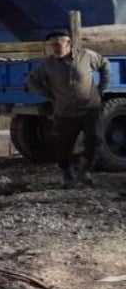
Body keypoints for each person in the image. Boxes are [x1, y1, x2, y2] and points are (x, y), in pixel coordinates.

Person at [26, 29, 110, 188]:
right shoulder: (46, 65)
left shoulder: (86, 56)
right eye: (51, 45)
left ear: (68, 43)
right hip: (65, 112)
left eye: (58, 44)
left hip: (90, 109)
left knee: (94, 140)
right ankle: (67, 174)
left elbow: (105, 64)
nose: (54, 48)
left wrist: (101, 89)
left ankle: (85, 171)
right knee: (64, 145)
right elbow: (32, 81)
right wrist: (50, 95)